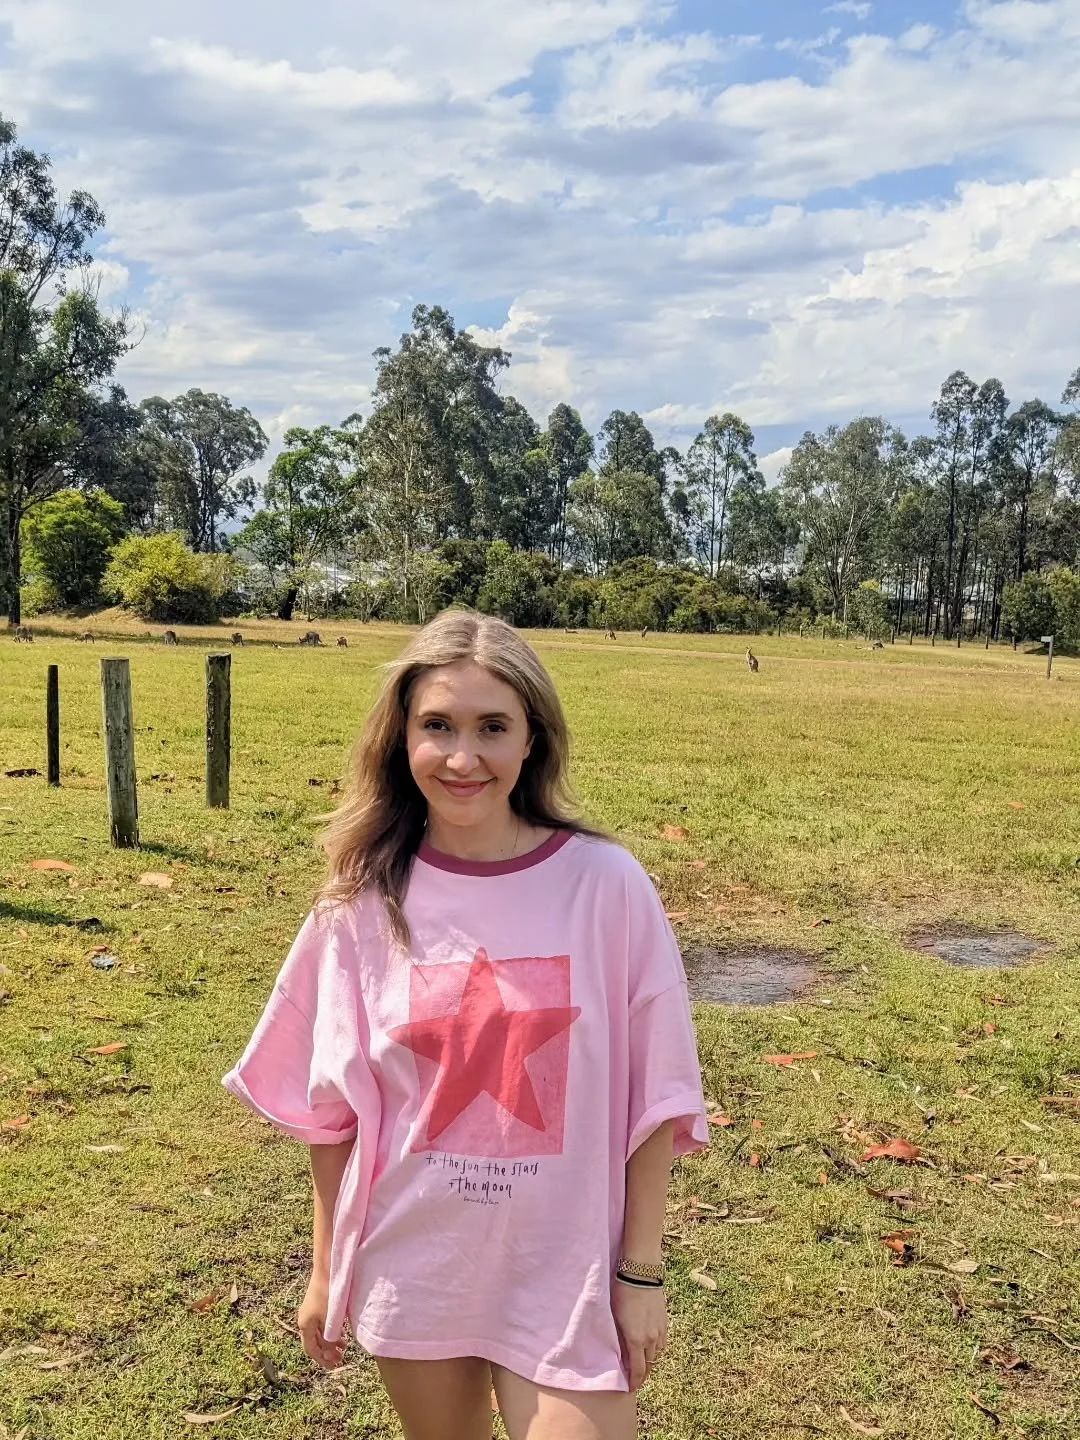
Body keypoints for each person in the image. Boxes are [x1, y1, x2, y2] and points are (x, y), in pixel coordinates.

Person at [221, 611, 707, 1440]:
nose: (462, 757)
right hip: (419, 1263)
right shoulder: (358, 906)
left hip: (565, 1270)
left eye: (492, 728)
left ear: (532, 742)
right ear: (400, 738)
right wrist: (327, 1267)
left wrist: (641, 1272)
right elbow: (331, 1113)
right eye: (436, 726)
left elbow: (656, 1097)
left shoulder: (607, 886)